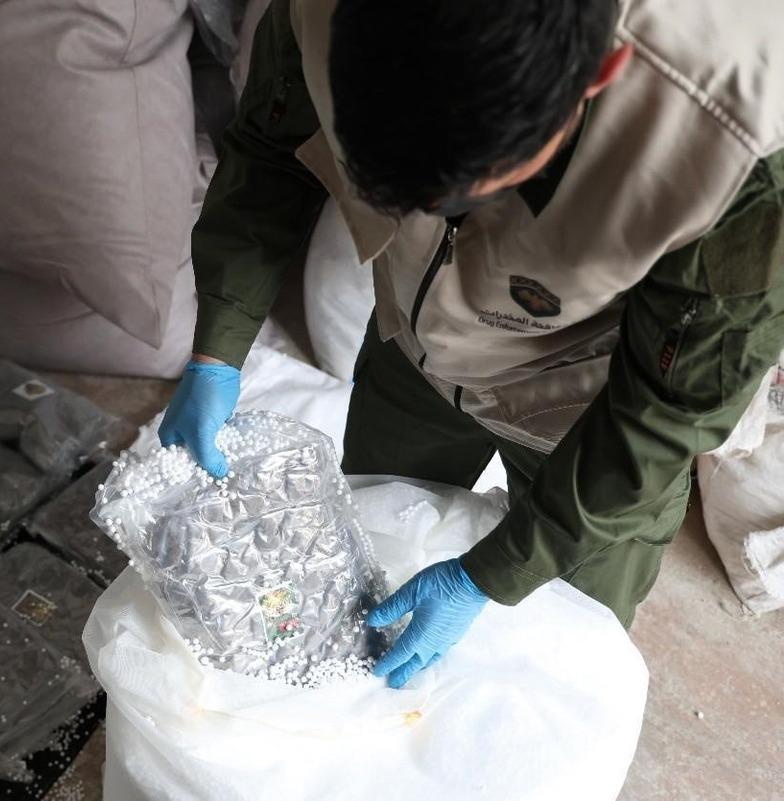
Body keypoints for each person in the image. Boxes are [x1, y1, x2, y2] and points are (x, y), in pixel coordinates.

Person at [159, 0, 784, 688]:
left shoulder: (738, 153)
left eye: (472, 195)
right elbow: (270, 149)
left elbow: (666, 411)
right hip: (412, 350)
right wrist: (219, 345)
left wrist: (492, 575)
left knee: (560, 660)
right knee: (366, 555)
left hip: (591, 410)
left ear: (599, 73)